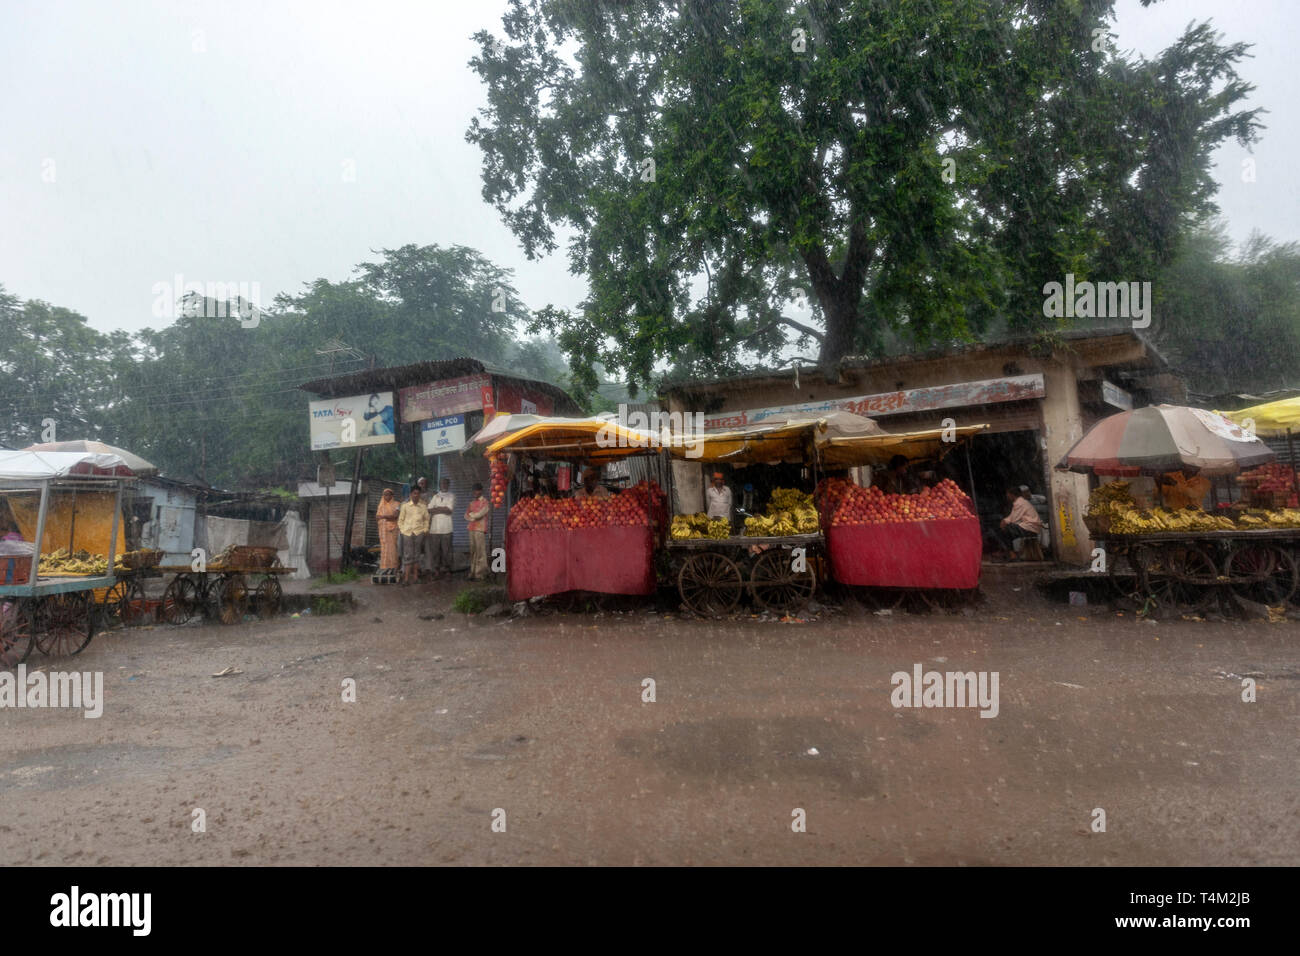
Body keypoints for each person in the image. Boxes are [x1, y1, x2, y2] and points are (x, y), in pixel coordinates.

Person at [993, 487, 1044, 560]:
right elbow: (1012, 517)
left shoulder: (1020, 503)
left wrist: (1004, 522)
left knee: (1005, 530)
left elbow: (1014, 519)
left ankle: (1011, 553)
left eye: (1007, 494)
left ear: (1012, 495)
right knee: (1003, 530)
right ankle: (1005, 550)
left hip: (1030, 528)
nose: (1007, 496)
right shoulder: (1020, 502)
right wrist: (1004, 521)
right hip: (1029, 527)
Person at [397, 487, 430, 586]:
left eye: (418, 493)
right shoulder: (405, 506)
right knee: (408, 556)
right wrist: (403, 530)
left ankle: (416, 578)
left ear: (419, 495)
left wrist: (425, 530)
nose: (416, 495)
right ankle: (406, 579)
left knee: (417, 555)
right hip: (407, 534)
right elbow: (400, 520)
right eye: (414, 493)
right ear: (410, 494)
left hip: (419, 533)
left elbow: (426, 520)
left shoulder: (423, 507)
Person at [425, 477, 455, 578]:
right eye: (442, 483)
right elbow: (429, 509)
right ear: (439, 485)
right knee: (435, 551)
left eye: (446, 483)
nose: (444, 485)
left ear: (448, 484)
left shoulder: (451, 496)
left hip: (447, 528)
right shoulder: (435, 496)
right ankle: (436, 570)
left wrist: (436, 508)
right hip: (435, 529)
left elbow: (449, 510)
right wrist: (442, 509)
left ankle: (448, 571)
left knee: (447, 551)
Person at [465, 483, 491, 581]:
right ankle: (473, 572)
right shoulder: (471, 503)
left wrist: (472, 515)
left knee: (480, 551)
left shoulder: (485, 502)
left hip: (480, 529)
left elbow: (480, 514)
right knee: (473, 551)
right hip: (471, 528)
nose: (475, 492)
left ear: (481, 491)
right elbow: (466, 515)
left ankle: (480, 574)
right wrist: (472, 515)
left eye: (477, 490)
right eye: (474, 490)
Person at [375, 488, 400, 575]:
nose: (386, 496)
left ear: (392, 495)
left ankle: (393, 567)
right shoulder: (381, 505)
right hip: (383, 530)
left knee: (392, 548)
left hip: (393, 529)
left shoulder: (397, 504)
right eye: (385, 494)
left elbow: (395, 516)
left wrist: (383, 517)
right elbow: (377, 517)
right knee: (384, 548)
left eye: (388, 494)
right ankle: (384, 567)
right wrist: (385, 517)